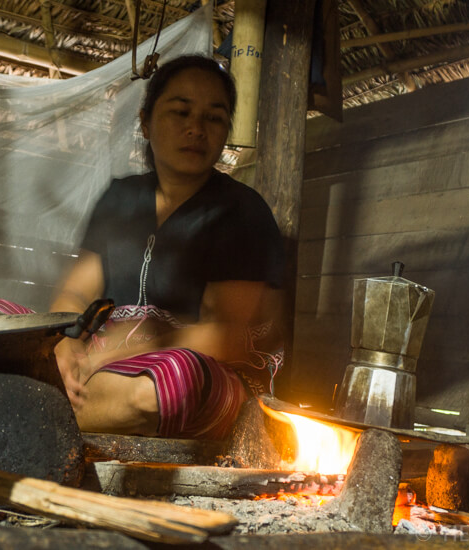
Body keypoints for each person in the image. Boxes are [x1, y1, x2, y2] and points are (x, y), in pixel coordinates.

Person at [50, 55, 285, 440]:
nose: (196, 129)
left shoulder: (241, 212)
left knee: (166, 386)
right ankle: (63, 402)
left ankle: (35, 404)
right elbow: (77, 290)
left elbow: (223, 335)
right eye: (180, 112)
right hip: (101, 362)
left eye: (213, 118)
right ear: (145, 121)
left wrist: (110, 354)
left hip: (192, 371)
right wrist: (64, 342)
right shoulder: (120, 198)